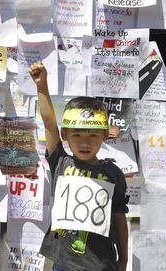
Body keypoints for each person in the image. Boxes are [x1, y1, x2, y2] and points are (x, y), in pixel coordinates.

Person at [29, 61, 129, 271]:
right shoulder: (60, 162)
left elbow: (120, 218)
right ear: (65, 135)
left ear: (104, 135)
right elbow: (48, 123)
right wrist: (41, 86)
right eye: (77, 134)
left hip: (101, 265)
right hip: (63, 263)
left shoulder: (113, 174)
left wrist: (123, 260)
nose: (85, 142)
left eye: (93, 135)